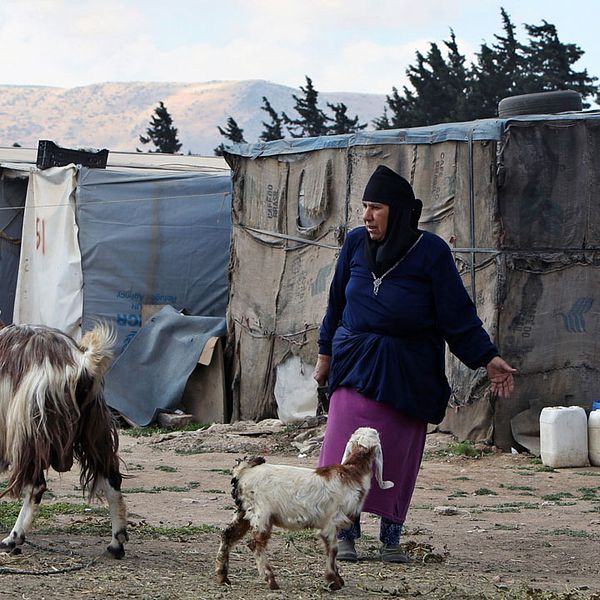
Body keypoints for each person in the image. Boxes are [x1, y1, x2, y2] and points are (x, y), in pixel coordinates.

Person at [313, 164, 515, 563]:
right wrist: (325, 357)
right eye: (365, 207)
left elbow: (456, 315)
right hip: (354, 362)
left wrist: (487, 358)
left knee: (397, 452)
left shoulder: (430, 253)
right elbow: (336, 304)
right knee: (344, 449)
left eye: (377, 207)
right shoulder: (354, 244)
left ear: (401, 212)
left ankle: (391, 537)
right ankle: (346, 532)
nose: (367, 216)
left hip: (407, 369)